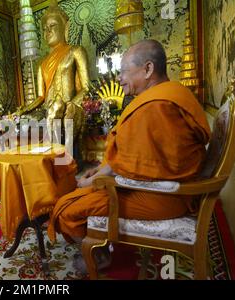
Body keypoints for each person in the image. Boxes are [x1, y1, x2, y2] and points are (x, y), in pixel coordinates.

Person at [47, 39, 211, 270]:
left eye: (124, 71)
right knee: (77, 196)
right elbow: (139, 155)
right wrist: (103, 170)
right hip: (162, 186)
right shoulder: (167, 94)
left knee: (67, 209)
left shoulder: (157, 105)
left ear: (148, 69)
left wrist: (94, 181)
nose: (118, 78)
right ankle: (100, 245)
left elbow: (135, 163)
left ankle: (99, 256)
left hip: (162, 197)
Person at [18, 0, 90, 148]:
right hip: (48, 108)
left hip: (68, 105)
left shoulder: (76, 51)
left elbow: (86, 87)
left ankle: (58, 154)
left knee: (58, 108)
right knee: (21, 120)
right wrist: (25, 109)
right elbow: (41, 97)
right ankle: (36, 154)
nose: (47, 32)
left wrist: (71, 104)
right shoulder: (42, 64)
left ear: (65, 27)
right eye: (44, 29)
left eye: (52, 26)